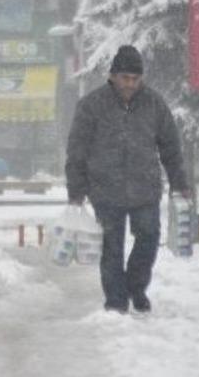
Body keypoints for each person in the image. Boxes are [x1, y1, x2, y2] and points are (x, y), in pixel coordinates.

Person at [65, 45, 189, 314]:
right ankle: (116, 300)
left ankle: (135, 286)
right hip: (105, 189)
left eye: (135, 79)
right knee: (111, 248)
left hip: (145, 188)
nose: (130, 84)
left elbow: (170, 146)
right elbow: (77, 150)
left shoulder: (154, 104)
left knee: (149, 238)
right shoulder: (92, 106)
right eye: (125, 78)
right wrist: (76, 190)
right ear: (112, 76)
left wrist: (179, 182)